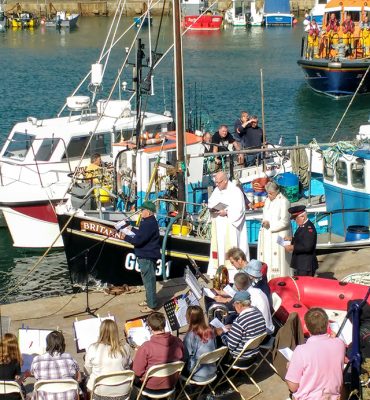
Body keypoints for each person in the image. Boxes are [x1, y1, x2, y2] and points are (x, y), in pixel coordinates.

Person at [285, 308, 346, 400]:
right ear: (328, 325)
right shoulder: (340, 344)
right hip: (333, 397)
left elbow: (293, 387)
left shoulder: (301, 350)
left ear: (305, 327)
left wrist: (290, 368)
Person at [207, 172, 249, 279]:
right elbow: (211, 203)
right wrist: (212, 209)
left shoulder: (235, 191)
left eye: (219, 182)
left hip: (230, 226)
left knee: (230, 249)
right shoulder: (217, 190)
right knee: (219, 249)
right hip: (219, 226)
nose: (217, 185)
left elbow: (240, 210)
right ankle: (219, 273)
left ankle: (232, 275)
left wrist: (226, 212)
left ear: (225, 180)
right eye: (215, 182)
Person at [121, 201, 160, 313]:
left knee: (149, 280)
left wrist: (125, 237)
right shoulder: (148, 222)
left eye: (142, 210)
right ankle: (149, 300)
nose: (141, 212)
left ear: (148, 212)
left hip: (147, 255)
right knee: (146, 279)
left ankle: (152, 305)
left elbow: (138, 240)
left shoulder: (148, 223)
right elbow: (141, 234)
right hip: (145, 254)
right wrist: (131, 228)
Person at [132, 312, 183, 391]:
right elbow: (184, 359)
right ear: (164, 325)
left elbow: (137, 372)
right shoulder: (178, 341)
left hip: (150, 386)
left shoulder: (146, 347)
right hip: (172, 383)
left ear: (150, 328)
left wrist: (137, 354)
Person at [215, 291, 266, 367]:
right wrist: (234, 328)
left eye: (234, 304)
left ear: (239, 304)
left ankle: (218, 367)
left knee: (217, 339)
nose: (233, 306)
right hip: (254, 355)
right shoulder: (259, 314)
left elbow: (230, 345)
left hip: (240, 360)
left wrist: (221, 333)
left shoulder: (239, 321)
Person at [84, 319, 132, 399]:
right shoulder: (125, 347)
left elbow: (87, 371)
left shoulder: (93, 348)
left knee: (86, 379)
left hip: (101, 393)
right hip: (123, 392)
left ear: (101, 332)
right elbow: (128, 366)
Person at [257, 181, 292, 280]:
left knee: (279, 262)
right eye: (267, 193)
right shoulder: (267, 200)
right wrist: (264, 222)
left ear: (277, 191)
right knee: (267, 259)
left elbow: (285, 222)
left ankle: (281, 281)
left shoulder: (284, 202)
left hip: (279, 236)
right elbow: (265, 215)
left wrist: (270, 225)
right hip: (268, 235)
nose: (269, 195)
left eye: (271, 193)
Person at [31, 331, 80, 399]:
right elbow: (78, 378)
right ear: (63, 343)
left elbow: (34, 374)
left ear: (47, 344)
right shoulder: (69, 357)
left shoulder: (37, 360)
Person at [183, 305, 217, 382]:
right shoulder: (210, 331)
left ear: (189, 318)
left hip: (198, 375)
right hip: (212, 370)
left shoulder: (190, 336)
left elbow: (185, 357)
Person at [284, 205, 318, 277]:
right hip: (302, 263)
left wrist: (293, 247)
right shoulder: (303, 226)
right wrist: (291, 239)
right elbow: (302, 239)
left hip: (306, 265)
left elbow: (308, 247)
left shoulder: (309, 228)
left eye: (296, 218)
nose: (295, 221)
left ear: (303, 217)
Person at [0, 336, 24, 400]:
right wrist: (24, 376)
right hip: (12, 396)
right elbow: (17, 381)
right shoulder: (16, 362)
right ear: (15, 346)